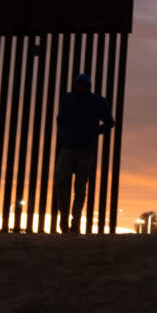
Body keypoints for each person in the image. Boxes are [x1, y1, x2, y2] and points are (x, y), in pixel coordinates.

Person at [54, 74, 115, 234]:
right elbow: (60, 118)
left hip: (85, 150)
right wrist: (62, 131)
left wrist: (94, 132)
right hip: (68, 148)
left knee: (80, 187)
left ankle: (75, 220)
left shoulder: (97, 101)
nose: (79, 88)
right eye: (77, 85)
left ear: (87, 87)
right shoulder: (68, 99)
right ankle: (64, 218)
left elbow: (110, 122)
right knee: (61, 181)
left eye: (82, 86)